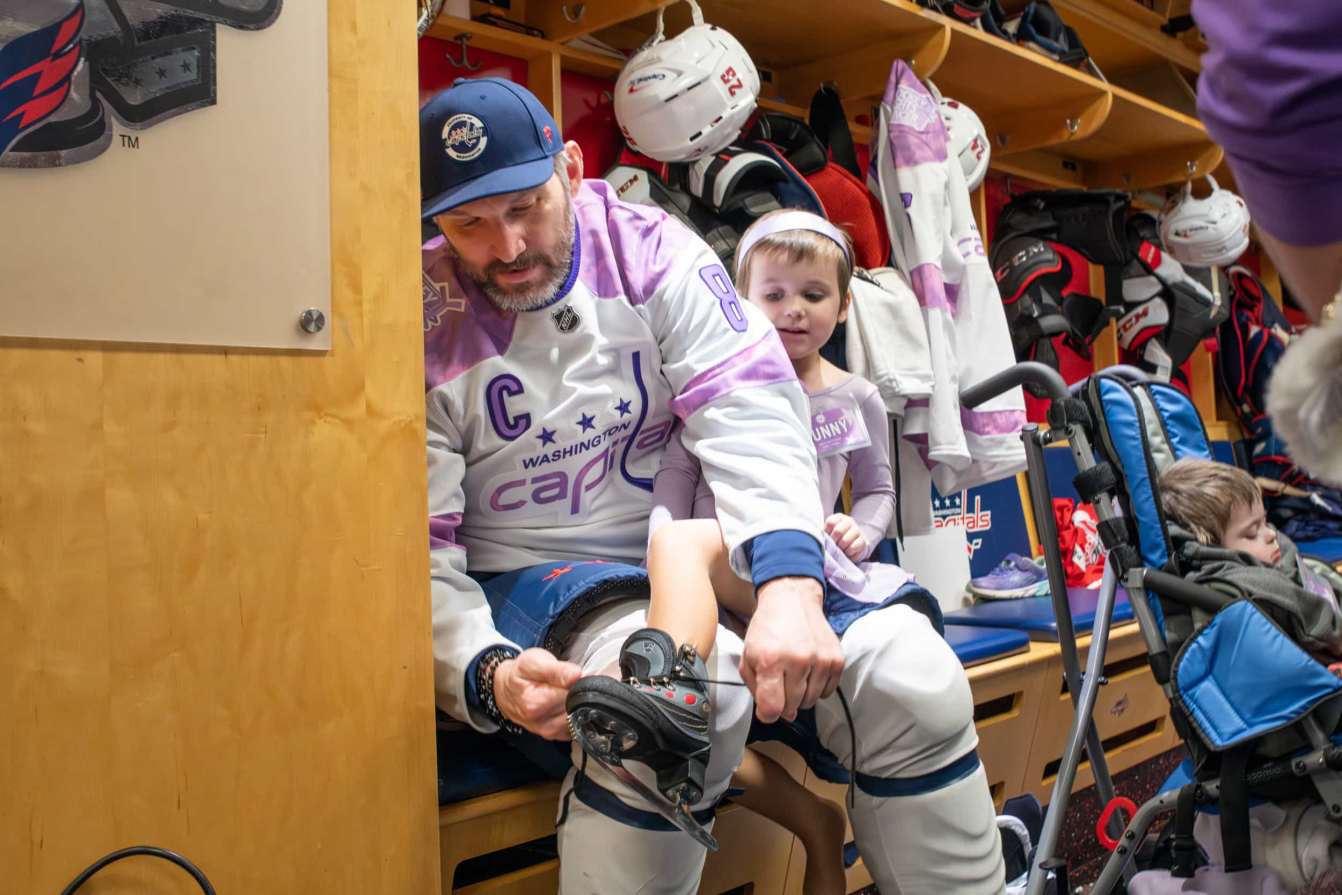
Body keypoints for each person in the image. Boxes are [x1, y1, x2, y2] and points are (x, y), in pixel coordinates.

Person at [422, 76, 1004, 893]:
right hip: (541, 571)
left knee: (914, 677)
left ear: (572, 166)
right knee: (679, 710)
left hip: (702, 536)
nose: (509, 246)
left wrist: (793, 583)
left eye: (526, 206)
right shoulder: (417, 311)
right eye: (469, 224)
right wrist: (482, 670)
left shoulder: (652, 246)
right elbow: (416, 549)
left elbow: (751, 413)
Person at [565, 209, 911, 892]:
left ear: (843, 306)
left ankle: (807, 808)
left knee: (901, 679)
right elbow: (673, 481)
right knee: (704, 714)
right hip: (710, 577)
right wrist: (663, 547)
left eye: (813, 295)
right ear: (737, 301)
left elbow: (879, 491)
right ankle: (806, 813)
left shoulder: (857, 396)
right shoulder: (699, 389)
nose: (792, 311)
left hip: (793, 573)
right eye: (772, 294)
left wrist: (861, 531)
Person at [1159, 458, 1342, 671]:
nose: (1272, 534)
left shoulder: (1278, 557)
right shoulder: (1238, 588)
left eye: (1265, 522)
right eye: (1252, 533)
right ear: (1214, 547)